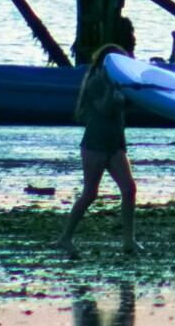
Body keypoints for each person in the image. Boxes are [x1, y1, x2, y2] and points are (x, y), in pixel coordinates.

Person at [56, 16, 141, 258]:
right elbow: (103, 110)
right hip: (95, 143)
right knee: (90, 193)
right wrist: (112, 92)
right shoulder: (95, 82)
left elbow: (124, 112)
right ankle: (65, 237)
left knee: (129, 189)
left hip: (115, 143)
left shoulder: (120, 84)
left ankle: (128, 240)